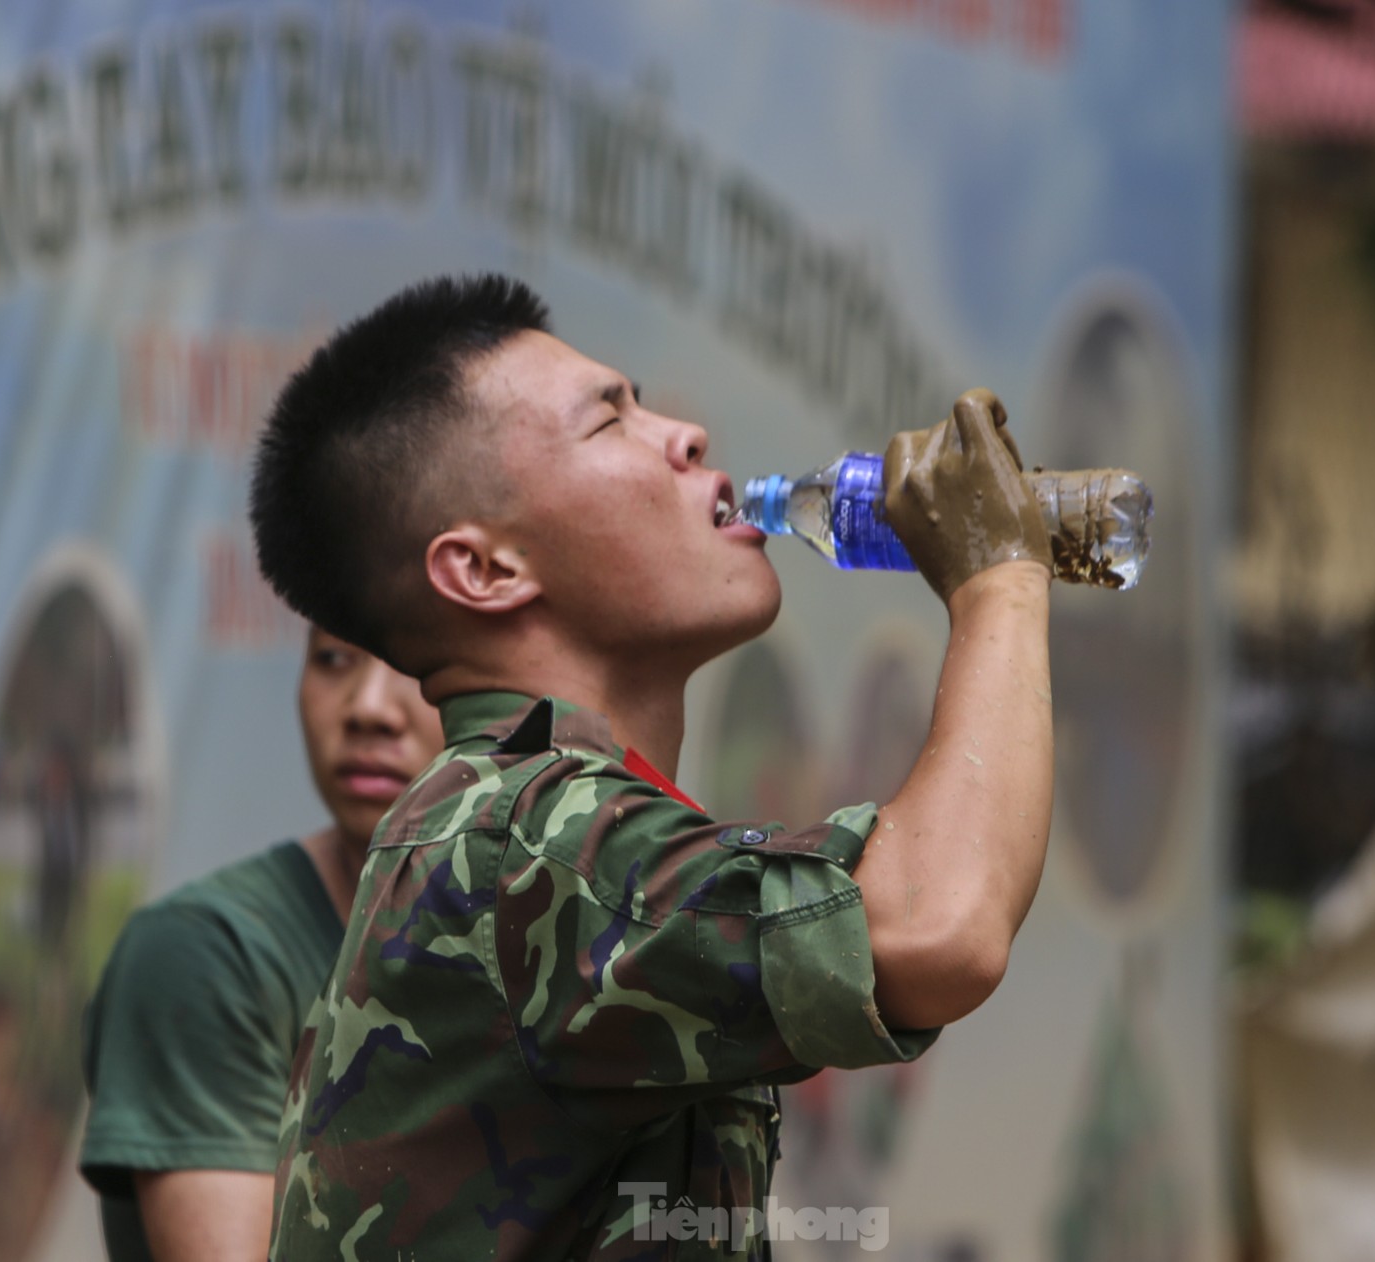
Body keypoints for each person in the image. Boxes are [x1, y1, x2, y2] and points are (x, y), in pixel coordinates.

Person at [250, 273, 1057, 1260]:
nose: (684, 435)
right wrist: (999, 579)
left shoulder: (539, 817)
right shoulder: (527, 843)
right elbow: (938, 925)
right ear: (487, 569)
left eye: (645, 401)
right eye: (609, 421)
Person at [79, 625, 444, 1262]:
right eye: (333, 658)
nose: (368, 708)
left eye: (420, 663)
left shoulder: (600, 952)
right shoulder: (210, 954)